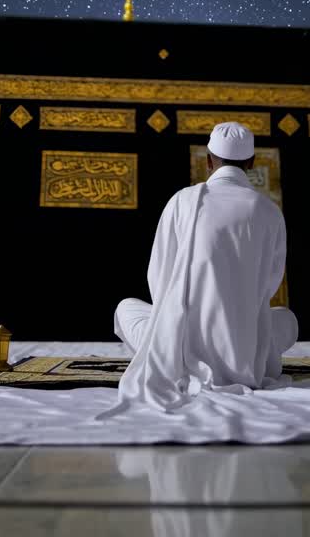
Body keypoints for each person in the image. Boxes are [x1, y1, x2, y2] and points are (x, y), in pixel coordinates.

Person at [112, 121, 298, 409]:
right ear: (251, 162)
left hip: (182, 347)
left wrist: (176, 319)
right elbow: (270, 283)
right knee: (287, 319)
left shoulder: (182, 201)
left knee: (126, 307)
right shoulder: (269, 210)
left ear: (209, 160)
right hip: (245, 351)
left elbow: (159, 276)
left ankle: (170, 352)